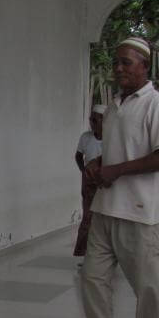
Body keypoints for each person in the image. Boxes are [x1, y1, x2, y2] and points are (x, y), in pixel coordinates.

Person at [68, 37, 159, 318]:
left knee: (147, 288)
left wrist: (115, 169)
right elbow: (123, 150)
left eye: (126, 63)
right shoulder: (115, 106)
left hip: (145, 214)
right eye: (115, 62)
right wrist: (100, 162)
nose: (118, 68)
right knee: (92, 277)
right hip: (106, 209)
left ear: (145, 67)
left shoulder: (157, 105)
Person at [73, 104, 106, 258]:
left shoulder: (111, 139)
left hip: (106, 183)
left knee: (105, 219)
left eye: (95, 120)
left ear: (103, 121)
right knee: (88, 217)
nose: (92, 123)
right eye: (90, 120)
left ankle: (106, 255)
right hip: (89, 183)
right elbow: (78, 156)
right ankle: (84, 254)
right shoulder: (85, 137)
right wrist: (84, 172)